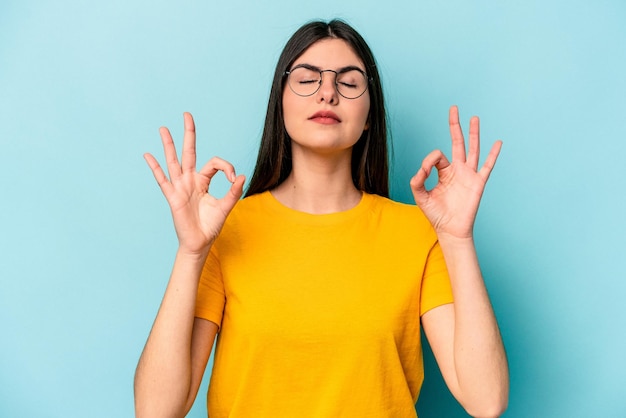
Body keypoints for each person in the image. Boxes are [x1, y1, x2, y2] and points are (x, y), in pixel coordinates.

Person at [134, 19, 509, 418]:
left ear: (369, 116)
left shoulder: (417, 233)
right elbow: (156, 410)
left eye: (348, 83)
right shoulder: (227, 230)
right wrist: (192, 253)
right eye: (307, 79)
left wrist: (458, 239)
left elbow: (485, 401)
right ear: (281, 103)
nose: (327, 93)